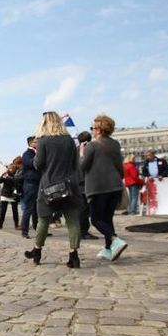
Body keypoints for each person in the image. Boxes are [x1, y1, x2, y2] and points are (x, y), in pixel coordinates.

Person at [24, 112, 82, 268]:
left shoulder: (43, 141)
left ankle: (37, 251)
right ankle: (74, 256)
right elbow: (75, 163)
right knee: (72, 221)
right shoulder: (69, 140)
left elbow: (38, 164)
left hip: (48, 187)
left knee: (43, 219)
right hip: (69, 185)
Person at [81, 114, 127, 261]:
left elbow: (83, 166)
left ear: (99, 130)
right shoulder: (115, 144)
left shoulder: (92, 146)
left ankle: (115, 240)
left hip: (98, 187)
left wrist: (82, 154)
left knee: (95, 219)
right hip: (115, 186)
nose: (92, 131)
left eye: (93, 128)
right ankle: (109, 249)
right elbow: (120, 166)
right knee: (107, 218)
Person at [20, 136, 40, 238]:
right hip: (30, 184)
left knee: (37, 209)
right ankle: (24, 230)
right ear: (31, 143)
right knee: (28, 208)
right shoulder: (27, 154)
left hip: (38, 184)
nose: (38, 144)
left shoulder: (36, 153)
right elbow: (31, 163)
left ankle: (38, 229)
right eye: (36, 142)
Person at [0, 164, 20, 229]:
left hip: (13, 194)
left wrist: (8, 177)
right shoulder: (5, 174)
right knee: (3, 211)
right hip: (5, 194)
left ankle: (16, 225)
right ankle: (0, 225)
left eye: (12, 168)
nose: (11, 170)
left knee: (15, 211)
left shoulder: (16, 174)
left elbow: (15, 180)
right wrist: (2, 176)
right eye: (10, 168)